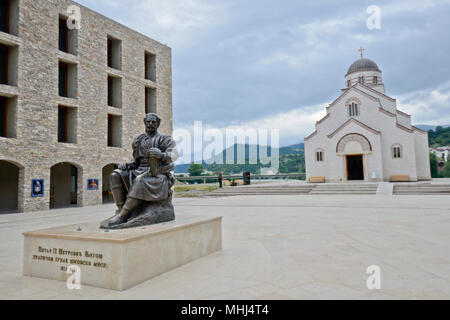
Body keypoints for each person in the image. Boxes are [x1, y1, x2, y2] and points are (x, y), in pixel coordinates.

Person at [101, 113, 178, 229]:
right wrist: (126, 165)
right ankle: (124, 211)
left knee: (140, 180)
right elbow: (135, 162)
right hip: (139, 169)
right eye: (148, 122)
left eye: (153, 122)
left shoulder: (165, 139)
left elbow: (174, 155)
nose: (151, 124)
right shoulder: (139, 140)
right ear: (144, 122)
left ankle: (122, 216)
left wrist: (161, 154)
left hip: (157, 173)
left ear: (158, 123)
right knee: (115, 174)